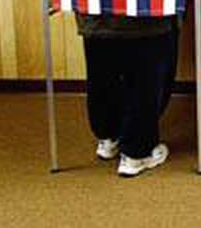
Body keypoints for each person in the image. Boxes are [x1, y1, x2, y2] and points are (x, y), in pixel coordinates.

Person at [76, 14, 179, 177]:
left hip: (95, 10)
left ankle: (108, 138)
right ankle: (136, 153)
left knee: (101, 66)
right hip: (147, 16)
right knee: (146, 71)